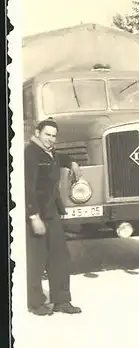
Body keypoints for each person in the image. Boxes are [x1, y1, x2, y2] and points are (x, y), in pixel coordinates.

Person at [24, 117, 82, 315]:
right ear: (38, 133)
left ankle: (61, 301)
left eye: (54, 136)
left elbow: (60, 158)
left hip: (52, 212)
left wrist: (73, 162)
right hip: (37, 214)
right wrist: (34, 217)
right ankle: (36, 303)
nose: (50, 139)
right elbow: (27, 189)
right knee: (37, 259)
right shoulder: (30, 154)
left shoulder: (49, 152)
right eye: (47, 134)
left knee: (60, 256)